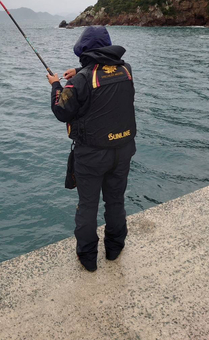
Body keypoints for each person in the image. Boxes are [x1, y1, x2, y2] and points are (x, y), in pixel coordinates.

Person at [47, 25, 136, 272]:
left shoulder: (81, 80)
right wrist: (78, 72)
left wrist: (56, 85)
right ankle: (115, 248)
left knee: (88, 206)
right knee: (115, 201)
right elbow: (104, 71)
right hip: (124, 149)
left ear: (83, 48)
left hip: (92, 155)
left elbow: (61, 110)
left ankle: (88, 258)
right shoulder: (126, 70)